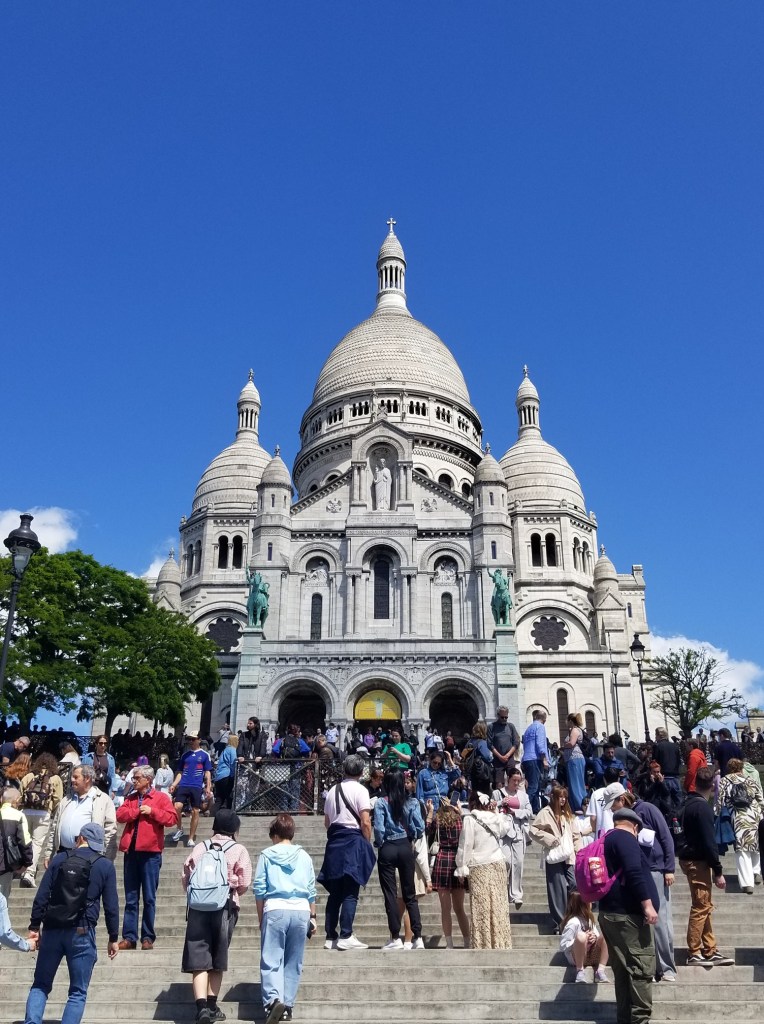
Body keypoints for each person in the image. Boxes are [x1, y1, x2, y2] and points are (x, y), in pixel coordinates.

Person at [23, 822, 120, 1024]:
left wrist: (34, 927)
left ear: (81, 838)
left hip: (52, 929)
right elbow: (111, 906)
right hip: (82, 932)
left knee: (40, 984)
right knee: (77, 991)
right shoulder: (104, 865)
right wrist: (113, 937)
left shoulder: (59, 859)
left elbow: (42, 895)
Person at [182, 809, 252, 1024]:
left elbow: (185, 875)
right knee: (218, 955)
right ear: (235, 830)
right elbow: (244, 882)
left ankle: (201, 1007)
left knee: (199, 958)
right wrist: (230, 893)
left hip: (198, 908)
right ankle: (212, 1006)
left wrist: (199, 896)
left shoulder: (200, 847)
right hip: (225, 907)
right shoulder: (238, 849)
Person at [597, 808, 659, 1024]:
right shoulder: (625, 838)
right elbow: (634, 872)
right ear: (635, 826)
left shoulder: (606, 839)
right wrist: (648, 905)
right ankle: (640, 1020)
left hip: (610, 913)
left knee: (623, 970)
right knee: (641, 968)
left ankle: (624, 1018)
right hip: (628, 916)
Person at [254, 813, 317, 1024]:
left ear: (275, 834)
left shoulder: (266, 854)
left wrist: (261, 916)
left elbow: (260, 889)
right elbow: (311, 890)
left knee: (271, 959)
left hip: (275, 908)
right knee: (294, 960)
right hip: (301, 910)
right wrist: (313, 916)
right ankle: (288, 1005)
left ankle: (273, 1001)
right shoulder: (305, 856)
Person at [115, 765, 177, 950]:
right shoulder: (131, 798)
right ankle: (129, 937)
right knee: (131, 897)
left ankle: (147, 937)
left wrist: (153, 812)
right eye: (133, 777)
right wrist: (137, 811)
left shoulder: (160, 798)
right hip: (131, 853)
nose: (133, 780)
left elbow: (172, 819)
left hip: (151, 854)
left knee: (149, 897)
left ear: (148, 780)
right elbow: (120, 815)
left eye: (137, 778)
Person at [676, 765, 734, 966]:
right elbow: (710, 842)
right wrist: (718, 870)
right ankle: (694, 951)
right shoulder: (703, 808)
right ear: (712, 786)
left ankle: (710, 948)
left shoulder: (687, 804)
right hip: (698, 860)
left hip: (687, 858)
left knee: (704, 904)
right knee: (701, 906)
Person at [317, 754, 375, 951]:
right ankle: (346, 935)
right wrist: (366, 842)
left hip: (334, 842)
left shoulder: (332, 790)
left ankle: (330, 936)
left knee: (335, 892)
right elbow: (365, 821)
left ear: (344, 770)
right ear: (361, 772)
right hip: (352, 841)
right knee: (351, 891)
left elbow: (327, 822)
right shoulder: (361, 790)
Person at [622, 790, 677, 982]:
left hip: (656, 869)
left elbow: (666, 837)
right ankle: (653, 967)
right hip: (639, 871)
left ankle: (667, 967)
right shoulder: (623, 820)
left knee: (661, 920)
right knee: (646, 920)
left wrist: (669, 867)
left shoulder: (647, 809)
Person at [373, 769, 424, 951]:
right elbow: (420, 826)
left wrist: (379, 843)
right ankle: (418, 937)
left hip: (388, 847)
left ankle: (395, 937)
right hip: (405, 846)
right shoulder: (412, 802)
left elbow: (378, 829)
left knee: (390, 894)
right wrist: (412, 835)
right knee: (410, 894)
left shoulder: (380, 803)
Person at [454, 792, 512, 949]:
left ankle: (483, 944)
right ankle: (501, 943)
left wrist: (461, 866)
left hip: (479, 865)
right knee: (499, 905)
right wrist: (495, 812)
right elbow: (504, 829)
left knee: (482, 906)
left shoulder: (470, 819)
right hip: (497, 863)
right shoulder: (494, 817)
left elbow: (465, 844)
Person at [529, 785, 581, 932]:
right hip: (554, 854)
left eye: (565, 796)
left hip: (569, 854)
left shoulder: (568, 814)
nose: (563, 799)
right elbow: (533, 830)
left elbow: (576, 835)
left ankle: (573, 916)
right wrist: (549, 839)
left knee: (574, 883)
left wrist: (580, 852)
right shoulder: (545, 812)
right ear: (554, 797)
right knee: (556, 888)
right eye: (560, 796)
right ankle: (561, 921)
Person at [44, 764, 118, 863]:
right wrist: (49, 853)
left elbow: (110, 830)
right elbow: (55, 827)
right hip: (63, 853)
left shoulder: (103, 800)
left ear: (87, 778)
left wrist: (107, 859)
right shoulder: (66, 799)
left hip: (88, 856)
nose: (72, 780)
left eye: (76, 777)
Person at [426, 797, 470, 948]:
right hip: (457, 862)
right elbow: (467, 834)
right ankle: (467, 941)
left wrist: (430, 812)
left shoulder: (437, 821)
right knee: (459, 908)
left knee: (445, 909)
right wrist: (461, 812)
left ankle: (449, 943)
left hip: (442, 860)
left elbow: (426, 830)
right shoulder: (459, 821)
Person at [717, 757, 763, 894]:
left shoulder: (725, 780)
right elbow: (760, 798)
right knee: (755, 844)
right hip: (754, 815)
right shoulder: (750, 780)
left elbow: (719, 800)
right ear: (741, 768)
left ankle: (747, 883)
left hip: (738, 816)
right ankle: (756, 871)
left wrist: (717, 814)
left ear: (729, 768)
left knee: (742, 848)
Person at [19, 752, 64, 889]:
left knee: (25, 841)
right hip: (43, 813)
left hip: (26, 811)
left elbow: (20, 792)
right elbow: (58, 799)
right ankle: (30, 873)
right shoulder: (55, 778)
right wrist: (51, 810)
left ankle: (21, 867)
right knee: (37, 843)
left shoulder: (29, 775)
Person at [493, 766, 532, 909]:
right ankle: (501, 891)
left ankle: (516, 895)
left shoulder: (523, 795)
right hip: (503, 832)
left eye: (518, 780)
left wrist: (516, 812)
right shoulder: (498, 793)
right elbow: (491, 808)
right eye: (514, 780)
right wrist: (500, 803)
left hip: (518, 831)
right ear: (507, 779)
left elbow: (529, 812)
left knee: (519, 862)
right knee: (506, 861)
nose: (516, 783)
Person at [170, 731, 213, 848]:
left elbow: (207, 772)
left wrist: (208, 787)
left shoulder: (204, 755)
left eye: (193, 739)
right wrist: (174, 784)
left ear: (199, 740)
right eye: (189, 739)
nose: (190, 742)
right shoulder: (185, 755)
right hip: (184, 784)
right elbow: (180, 772)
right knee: (176, 807)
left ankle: (190, 838)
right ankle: (179, 828)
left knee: (195, 810)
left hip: (196, 785)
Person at [559, 891, 609, 984]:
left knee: (606, 934)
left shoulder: (589, 920)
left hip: (592, 956)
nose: (592, 903)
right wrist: (581, 939)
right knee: (581, 936)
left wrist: (594, 937)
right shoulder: (573, 922)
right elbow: (563, 946)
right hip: (577, 958)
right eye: (589, 901)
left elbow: (599, 939)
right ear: (582, 904)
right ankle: (580, 971)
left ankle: (600, 971)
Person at [1, 787, 33, 898]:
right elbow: (24, 841)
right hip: (4, 865)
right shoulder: (18, 815)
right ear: (16, 800)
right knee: (3, 901)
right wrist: (26, 863)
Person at [521, 710, 549, 813]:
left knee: (535, 786)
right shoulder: (540, 727)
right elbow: (540, 744)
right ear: (544, 719)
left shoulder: (529, 728)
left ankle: (536, 809)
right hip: (535, 759)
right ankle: (525, 809)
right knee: (533, 787)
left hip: (527, 759)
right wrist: (545, 759)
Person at [487, 706, 521, 789]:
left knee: (513, 780)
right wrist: (500, 756)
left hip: (509, 759)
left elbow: (516, 742)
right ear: (498, 715)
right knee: (499, 784)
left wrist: (507, 755)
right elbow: (489, 744)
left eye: (506, 717)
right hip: (498, 759)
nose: (504, 719)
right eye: (502, 717)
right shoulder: (492, 727)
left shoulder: (510, 726)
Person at [561, 713, 587, 814]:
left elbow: (571, 743)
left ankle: (580, 806)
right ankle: (576, 805)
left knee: (576, 783)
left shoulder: (575, 730)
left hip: (574, 758)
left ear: (570, 721)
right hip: (572, 759)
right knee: (574, 783)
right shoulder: (574, 730)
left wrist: (564, 745)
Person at [652, 728, 683, 807]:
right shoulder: (675, 746)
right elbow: (679, 761)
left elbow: (655, 763)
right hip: (675, 777)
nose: (655, 737)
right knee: (679, 802)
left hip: (663, 777)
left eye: (656, 735)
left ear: (659, 735)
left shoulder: (657, 746)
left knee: (666, 803)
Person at [463, 720, 494, 797]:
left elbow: (463, 755)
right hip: (481, 772)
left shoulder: (469, 742)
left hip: (471, 772)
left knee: (474, 792)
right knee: (484, 794)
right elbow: (488, 757)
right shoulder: (482, 743)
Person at [214, 735, 239, 811]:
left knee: (219, 799)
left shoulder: (224, 750)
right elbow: (233, 763)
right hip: (227, 776)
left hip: (218, 777)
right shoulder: (233, 750)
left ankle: (213, 816)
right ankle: (227, 816)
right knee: (229, 797)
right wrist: (233, 776)